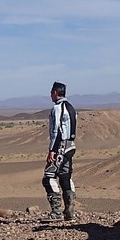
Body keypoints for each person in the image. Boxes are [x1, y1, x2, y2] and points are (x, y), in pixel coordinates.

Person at [42, 81, 77, 221]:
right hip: (71, 145)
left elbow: (56, 131)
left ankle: (56, 212)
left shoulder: (58, 108)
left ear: (55, 93)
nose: (50, 95)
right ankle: (69, 212)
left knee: (49, 176)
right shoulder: (71, 107)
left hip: (61, 145)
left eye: (51, 92)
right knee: (65, 175)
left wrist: (52, 150)